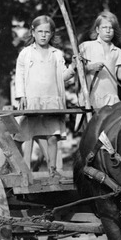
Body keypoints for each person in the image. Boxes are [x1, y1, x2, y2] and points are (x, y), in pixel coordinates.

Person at [14, 15, 77, 177]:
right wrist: (21, 96)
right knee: (21, 134)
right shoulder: (26, 53)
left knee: (52, 136)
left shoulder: (56, 54)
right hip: (32, 101)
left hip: (51, 101)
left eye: (47, 32)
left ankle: (52, 170)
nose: (43, 35)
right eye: (40, 31)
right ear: (33, 32)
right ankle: (11, 163)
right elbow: (19, 76)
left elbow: (62, 76)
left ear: (52, 34)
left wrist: (73, 68)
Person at [77, 9, 121, 109]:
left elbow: (119, 73)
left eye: (111, 28)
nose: (108, 31)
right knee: (90, 123)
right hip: (91, 96)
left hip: (111, 98)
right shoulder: (86, 47)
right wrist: (91, 67)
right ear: (97, 30)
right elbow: (78, 69)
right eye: (104, 27)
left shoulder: (117, 51)